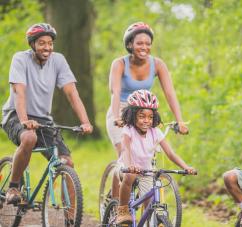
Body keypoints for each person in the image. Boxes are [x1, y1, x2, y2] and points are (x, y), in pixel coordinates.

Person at [1, 23, 93, 205]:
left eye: (50, 43)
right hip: (16, 114)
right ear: (32, 44)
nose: (47, 47)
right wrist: (24, 120)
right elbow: (19, 91)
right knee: (29, 138)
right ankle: (13, 186)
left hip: (43, 119)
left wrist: (85, 122)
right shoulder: (20, 59)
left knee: (67, 163)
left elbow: (72, 94)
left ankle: (71, 218)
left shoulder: (58, 60)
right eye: (42, 43)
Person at [112, 89, 196, 225]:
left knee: (149, 205)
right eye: (142, 116)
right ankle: (122, 210)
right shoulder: (128, 130)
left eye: (150, 117)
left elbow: (170, 153)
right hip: (126, 167)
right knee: (130, 176)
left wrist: (186, 167)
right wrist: (129, 166)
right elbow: (126, 149)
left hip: (145, 171)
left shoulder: (155, 132)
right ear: (133, 115)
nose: (146, 121)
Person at [106, 21, 188, 158]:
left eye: (148, 43)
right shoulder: (119, 64)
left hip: (144, 112)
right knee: (125, 158)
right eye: (139, 43)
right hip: (120, 109)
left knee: (148, 156)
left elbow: (170, 93)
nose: (144, 47)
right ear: (130, 44)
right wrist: (116, 117)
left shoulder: (157, 64)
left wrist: (180, 120)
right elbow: (115, 92)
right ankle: (119, 178)